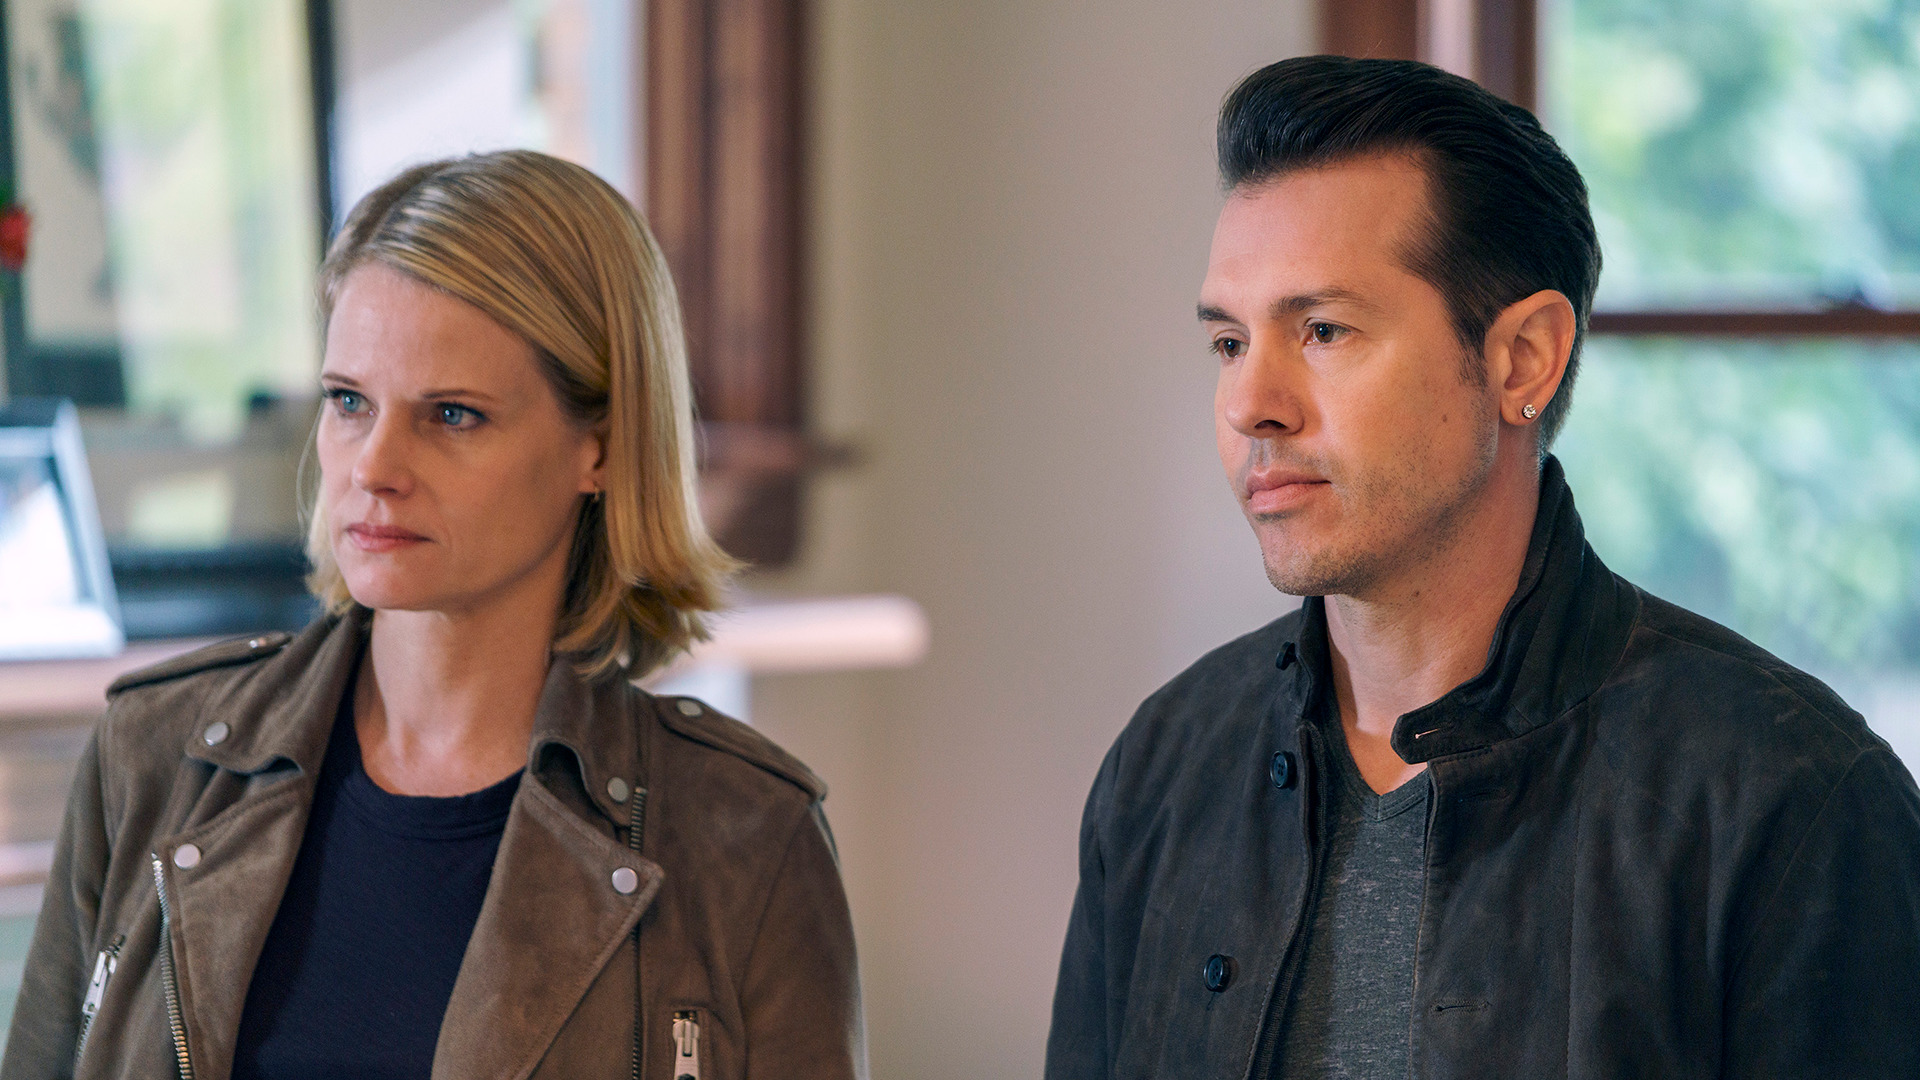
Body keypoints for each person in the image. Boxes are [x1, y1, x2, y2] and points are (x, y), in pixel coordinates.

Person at [1045, 56, 1920, 1079]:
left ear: (1522, 359)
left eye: (1322, 330)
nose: (1251, 405)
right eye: (1230, 343)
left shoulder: (1791, 797)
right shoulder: (1163, 770)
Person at [2, 150, 865, 1080]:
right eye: (349, 402)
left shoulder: (747, 837)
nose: (374, 467)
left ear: (602, 448)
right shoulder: (151, 758)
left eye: (452, 415)